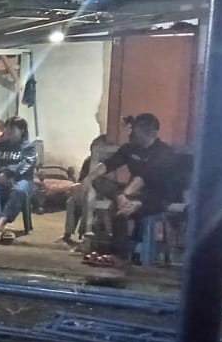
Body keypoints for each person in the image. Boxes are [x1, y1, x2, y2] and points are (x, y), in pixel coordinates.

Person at [82, 113, 190, 266]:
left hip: (158, 196)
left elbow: (143, 178)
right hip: (131, 193)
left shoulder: (163, 153)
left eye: (136, 130)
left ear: (150, 132)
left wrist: (125, 198)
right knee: (101, 184)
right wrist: (89, 178)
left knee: (120, 212)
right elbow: (109, 164)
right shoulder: (130, 149)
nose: (131, 133)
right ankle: (116, 249)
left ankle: (119, 256)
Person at [0, 116, 37, 241]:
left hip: (22, 179)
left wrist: (10, 173)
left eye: (12, 129)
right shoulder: (0, 146)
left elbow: (27, 164)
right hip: (1, 177)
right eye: (8, 129)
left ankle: (1, 221)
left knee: (19, 190)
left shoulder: (29, 147)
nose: (9, 132)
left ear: (22, 130)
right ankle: (0, 228)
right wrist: (1, 174)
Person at [59, 134, 108, 246]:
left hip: (100, 193)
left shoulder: (107, 163)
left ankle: (84, 233)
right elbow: (81, 180)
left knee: (88, 201)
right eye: (93, 147)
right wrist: (76, 189)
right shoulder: (88, 161)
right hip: (86, 190)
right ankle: (68, 233)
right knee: (71, 202)